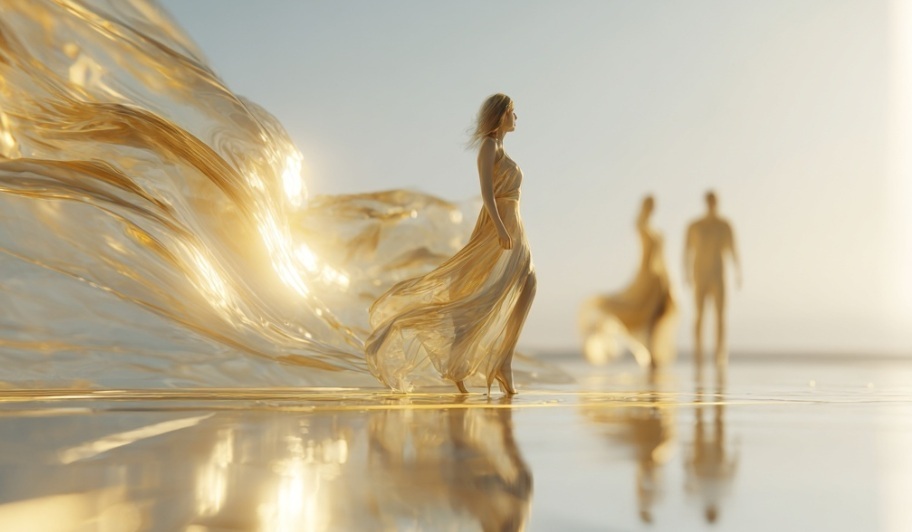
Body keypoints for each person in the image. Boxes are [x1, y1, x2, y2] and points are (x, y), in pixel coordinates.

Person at [365, 93, 536, 394]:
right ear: (499, 116)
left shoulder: (501, 150)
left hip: (513, 224)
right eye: (512, 112)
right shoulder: (488, 146)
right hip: (500, 226)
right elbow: (485, 193)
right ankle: (477, 361)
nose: (516, 117)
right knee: (480, 291)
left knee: (525, 285)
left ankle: (501, 360)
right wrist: (498, 228)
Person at [579, 195, 677, 369]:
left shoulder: (656, 232)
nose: (652, 208)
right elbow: (646, 256)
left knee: (656, 318)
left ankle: (653, 356)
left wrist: (668, 282)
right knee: (640, 314)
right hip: (647, 277)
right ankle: (650, 357)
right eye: (649, 205)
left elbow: (662, 260)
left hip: (659, 280)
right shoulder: (641, 226)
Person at [683, 191, 741, 373]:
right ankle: (698, 353)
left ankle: (719, 354)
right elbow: (687, 252)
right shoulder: (695, 226)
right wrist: (687, 274)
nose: (712, 205)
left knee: (720, 316)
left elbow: (733, 249)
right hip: (700, 275)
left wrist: (738, 271)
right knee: (699, 315)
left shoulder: (725, 225)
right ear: (706, 202)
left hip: (718, 274)